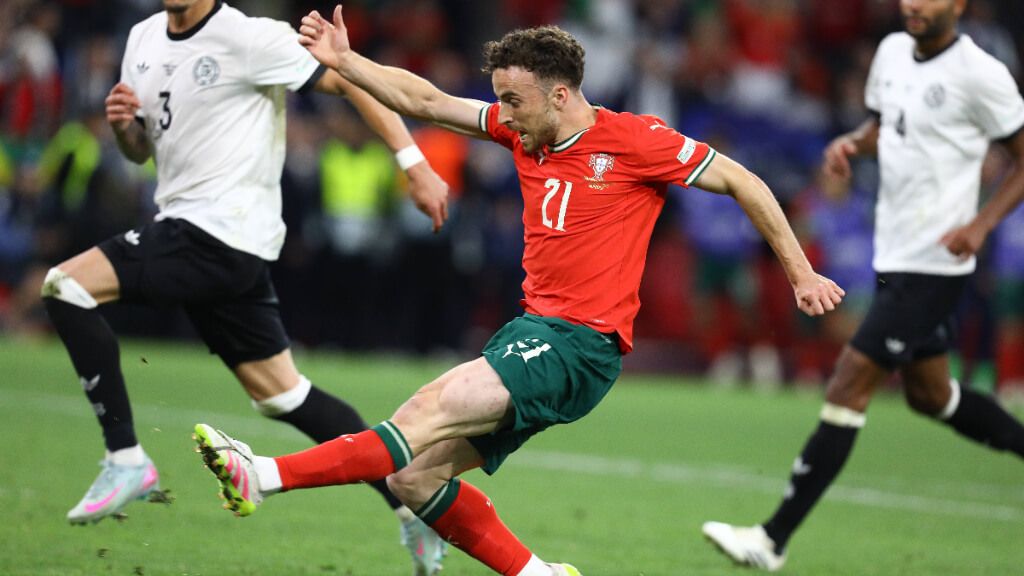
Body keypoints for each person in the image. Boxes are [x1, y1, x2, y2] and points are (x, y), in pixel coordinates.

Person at [191, 9, 845, 576]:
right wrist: (346, 60)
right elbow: (426, 101)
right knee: (413, 477)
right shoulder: (522, 130)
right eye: (499, 99)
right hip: (536, 334)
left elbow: (745, 182)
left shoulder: (634, 140)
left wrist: (801, 274)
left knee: (426, 409)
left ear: (560, 95)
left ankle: (263, 476)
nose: (502, 115)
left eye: (513, 100)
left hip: (578, 343)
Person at [42, 1, 451, 573]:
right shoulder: (141, 40)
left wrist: (414, 164)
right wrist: (123, 129)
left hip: (218, 231)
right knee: (283, 395)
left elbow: (351, 80)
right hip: (210, 237)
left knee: (66, 286)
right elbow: (142, 152)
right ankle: (413, 506)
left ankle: (125, 456)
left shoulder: (250, 37)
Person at [703, 0, 1024, 570]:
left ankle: (771, 540)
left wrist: (981, 224)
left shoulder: (981, 74)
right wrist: (854, 141)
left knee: (849, 381)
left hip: (936, 262)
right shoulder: (892, 52)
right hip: (894, 251)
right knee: (931, 395)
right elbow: (891, 125)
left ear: (959, 5)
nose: (913, 4)